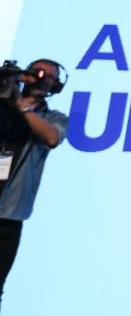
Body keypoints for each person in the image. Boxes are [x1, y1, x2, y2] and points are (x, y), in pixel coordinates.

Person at [0, 59, 69, 310]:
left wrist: (20, 105)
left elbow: (51, 137)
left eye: (49, 76)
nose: (42, 78)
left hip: (7, 216)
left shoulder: (54, 118)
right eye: (37, 72)